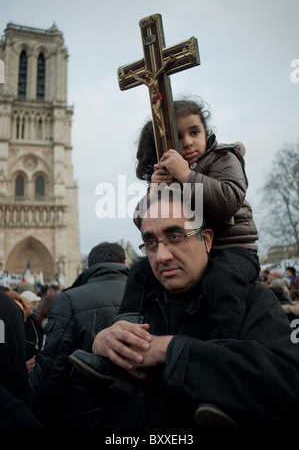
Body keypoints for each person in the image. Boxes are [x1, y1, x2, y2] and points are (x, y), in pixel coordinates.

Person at [69, 188, 299, 430]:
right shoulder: (139, 303)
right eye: (150, 243)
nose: (162, 256)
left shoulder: (254, 301)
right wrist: (99, 346)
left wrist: (172, 350)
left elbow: (288, 387)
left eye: (175, 236)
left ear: (207, 240)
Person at [128, 98, 259, 339]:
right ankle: (127, 333)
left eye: (194, 132)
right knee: (139, 272)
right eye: (178, 137)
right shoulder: (170, 172)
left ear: (206, 132)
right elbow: (142, 221)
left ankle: (222, 345)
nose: (187, 142)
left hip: (231, 249)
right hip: (194, 252)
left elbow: (229, 200)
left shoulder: (223, 157)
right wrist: (154, 192)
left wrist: (187, 176)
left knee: (221, 282)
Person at [29, 242, 129, 428]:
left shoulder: (68, 299)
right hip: (137, 413)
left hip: (84, 415)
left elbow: (52, 369)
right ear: (125, 262)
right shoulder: (151, 294)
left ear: (88, 268)